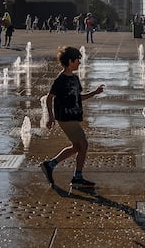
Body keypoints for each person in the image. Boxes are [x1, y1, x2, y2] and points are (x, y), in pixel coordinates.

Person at [40, 46, 104, 188]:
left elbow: (78, 97)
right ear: (70, 61)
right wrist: (50, 117)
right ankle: (77, 177)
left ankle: (50, 165)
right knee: (84, 145)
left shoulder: (74, 78)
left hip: (72, 117)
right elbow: (49, 98)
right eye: (77, 60)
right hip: (65, 118)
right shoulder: (60, 80)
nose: (79, 63)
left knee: (77, 147)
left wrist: (94, 92)